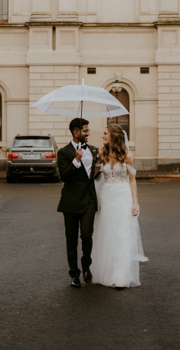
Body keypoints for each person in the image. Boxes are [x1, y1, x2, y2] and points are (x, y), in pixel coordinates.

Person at [90, 123, 148, 289]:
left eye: (105, 133)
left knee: (122, 234)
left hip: (123, 197)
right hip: (107, 197)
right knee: (107, 233)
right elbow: (94, 175)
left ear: (113, 136)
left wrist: (135, 202)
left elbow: (132, 180)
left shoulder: (127, 156)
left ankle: (121, 276)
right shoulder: (103, 154)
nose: (102, 136)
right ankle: (105, 272)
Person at [57, 117, 98, 288]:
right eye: (85, 131)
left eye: (87, 130)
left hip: (89, 199)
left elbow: (93, 175)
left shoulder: (93, 150)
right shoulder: (64, 152)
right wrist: (76, 160)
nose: (88, 133)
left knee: (87, 236)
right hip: (71, 201)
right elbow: (64, 176)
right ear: (76, 133)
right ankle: (74, 274)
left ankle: (87, 266)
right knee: (71, 239)